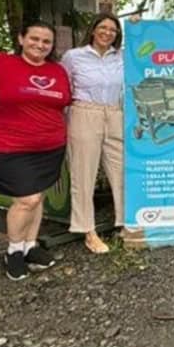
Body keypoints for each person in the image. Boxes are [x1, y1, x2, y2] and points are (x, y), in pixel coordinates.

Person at [0, 20, 71, 281]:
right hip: (7, 146)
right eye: (34, 39)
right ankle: (13, 251)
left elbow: (63, 102)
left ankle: (31, 246)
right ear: (21, 39)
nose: (40, 45)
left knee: (37, 197)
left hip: (49, 146)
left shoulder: (57, 71)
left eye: (46, 41)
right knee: (26, 199)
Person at [60, 13, 124, 254]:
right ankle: (88, 230)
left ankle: (124, 222)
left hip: (115, 113)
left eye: (113, 30)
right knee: (83, 173)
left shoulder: (121, 57)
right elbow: (64, 88)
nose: (107, 33)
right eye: (103, 27)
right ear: (93, 29)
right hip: (84, 113)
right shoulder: (74, 56)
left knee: (121, 170)